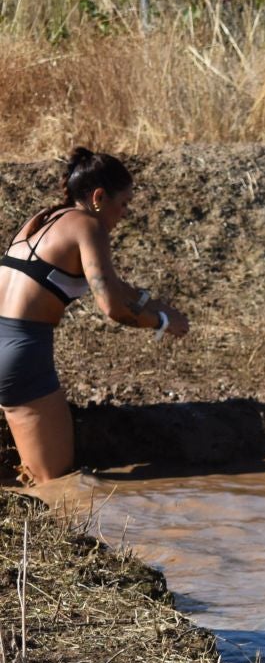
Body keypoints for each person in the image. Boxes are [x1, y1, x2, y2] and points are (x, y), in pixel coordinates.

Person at [0, 148, 189, 485]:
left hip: (8, 343)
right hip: (21, 355)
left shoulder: (45, 219)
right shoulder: (90, 226)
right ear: (99, 197)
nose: (125, 213)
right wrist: (161, 322)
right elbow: (112, 307)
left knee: (34, 478)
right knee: (56, 485)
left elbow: (113, 286)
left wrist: (154, 304)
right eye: (124, 203)